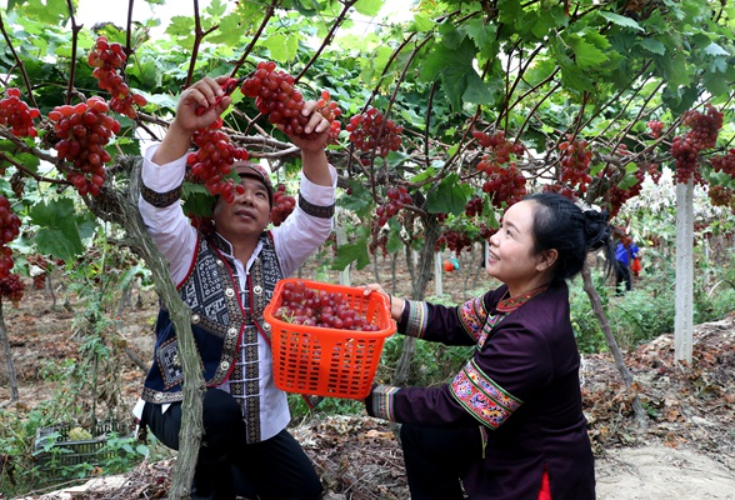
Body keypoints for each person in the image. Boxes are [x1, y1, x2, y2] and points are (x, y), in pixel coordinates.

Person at [133, 76, 336, 500]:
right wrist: (182, 130)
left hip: (258, 422)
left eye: (259, 195)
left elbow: (316, 220)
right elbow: (157, 209)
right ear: (213, 204)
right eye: (235, 191)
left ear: (270, 212)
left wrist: (312, 152)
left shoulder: (279, 251)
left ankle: (237, 471)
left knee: (304, 494)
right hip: (179, 404)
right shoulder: (185, 247)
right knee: (219, 414)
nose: (247, 199)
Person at [362, 193, 613, 500]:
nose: (493, 239)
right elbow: (456, 322)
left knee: (435, 424)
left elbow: (453, 407)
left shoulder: (530, 335)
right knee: (423, 434)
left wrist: (369, 396)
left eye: (510, 233)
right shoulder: (516, 295)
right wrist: (393, 307)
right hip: (505, 439)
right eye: (500, 227)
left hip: (536, 476)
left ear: (545, 258)